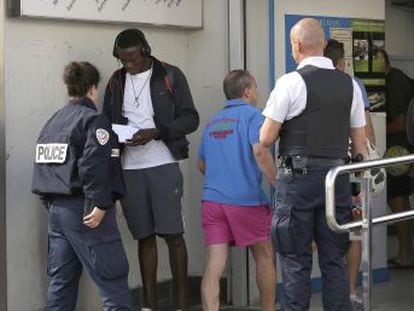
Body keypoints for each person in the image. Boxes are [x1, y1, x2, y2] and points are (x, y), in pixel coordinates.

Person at [260, 18, 367, 310]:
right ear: (322, 44)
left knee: (295, 261)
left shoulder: (290, 82)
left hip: (299, 181)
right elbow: (359, 144)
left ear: (297, 45)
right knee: (334, 259)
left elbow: (266, 137)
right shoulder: (350, 85)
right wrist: (356, 185)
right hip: (338, 179)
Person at [103, 28, 199, 311]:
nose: (127, 65)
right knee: (143, 237)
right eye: (122, 60)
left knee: (172, 235)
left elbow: (190, 118)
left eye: (131, 59)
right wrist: (119, 136)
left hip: (163, 164)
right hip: (129, 167)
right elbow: (107, 122)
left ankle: (182, 304)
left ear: (144, 50)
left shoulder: (170, 75)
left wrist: (157, 132)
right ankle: (150, 306)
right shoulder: (116, 81)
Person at [32, 61, 132, 310]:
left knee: (62, 282)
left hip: (57, 212)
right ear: (93, 88)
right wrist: (99, 204)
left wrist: (54, 204)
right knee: (112, 280)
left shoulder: (53, 122)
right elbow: (93, 165)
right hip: (87, 212)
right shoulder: (94, 120)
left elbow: (44, 167)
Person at [197, 70, 277, 311]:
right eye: (256, 87)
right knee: (263, 255)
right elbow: (260, 151)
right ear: (247, 91)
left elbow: (201, 164)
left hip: (212, 201)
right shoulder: (254, 116)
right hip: (246, 201)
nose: (258, 92)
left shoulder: (213, 122)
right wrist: (278, 184)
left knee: (214, 265)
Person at [324, 38, 377, 309]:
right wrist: (371, 156)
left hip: (321, 170)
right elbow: (366, 131)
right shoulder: (354, 85)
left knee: (318, 228)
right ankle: (351, 290)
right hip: (352, 170)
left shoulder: (307, 82)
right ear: (343, 61)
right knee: (354, 229)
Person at [376, 49, 414, 269]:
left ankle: (406, 254)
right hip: (396, 150)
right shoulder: (391, 80)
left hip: (398, 151)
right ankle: (406, 252)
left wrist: (380, 131)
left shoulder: (395, 81)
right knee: (399, 200)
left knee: (398, 200)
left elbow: (400, 122)